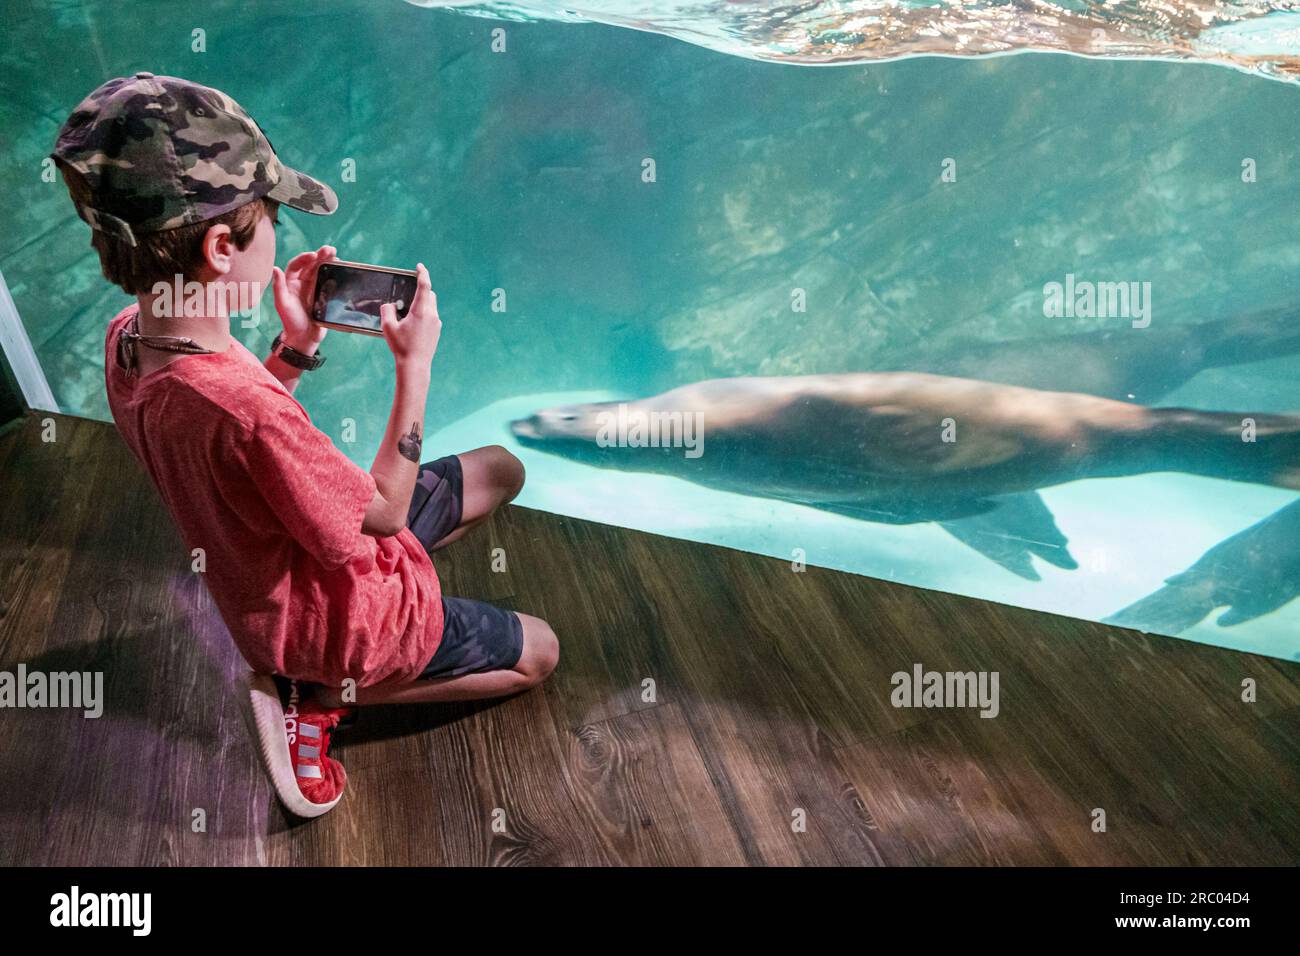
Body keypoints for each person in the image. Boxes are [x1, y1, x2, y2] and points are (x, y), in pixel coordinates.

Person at [51, 73, 559, 818]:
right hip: (332, 620)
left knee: (500, 470)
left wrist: (296, 345)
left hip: (274, 557)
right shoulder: (247, 409)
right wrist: (413, 366)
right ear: (223, 246)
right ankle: (320, 697)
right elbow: (381, 512)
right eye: (272, 222)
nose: (279, 240)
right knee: (541, 652)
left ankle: (314, 675)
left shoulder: (127, 343)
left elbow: (232, 436)